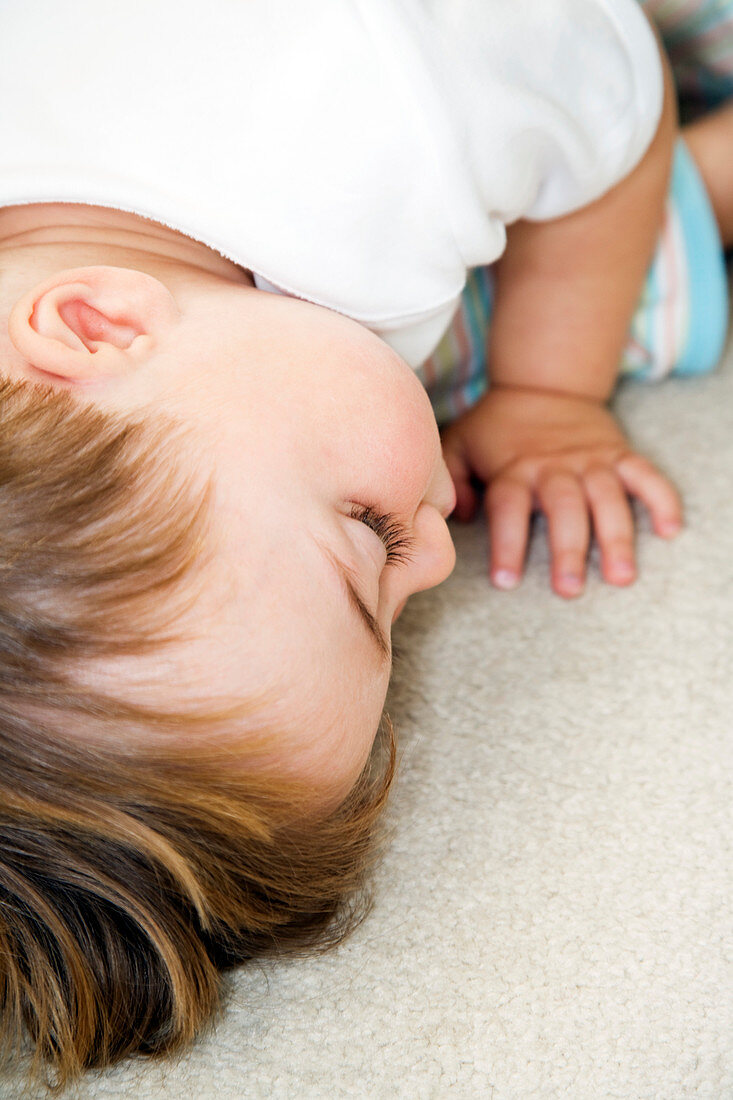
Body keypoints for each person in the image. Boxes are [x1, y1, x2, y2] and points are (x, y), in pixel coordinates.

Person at [0, 0, 730, 1087]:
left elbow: (607, 105)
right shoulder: (120, 351)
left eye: (370, 535)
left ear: (99, 326)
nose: (439, 559)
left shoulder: (377, 116)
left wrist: (549, 393)